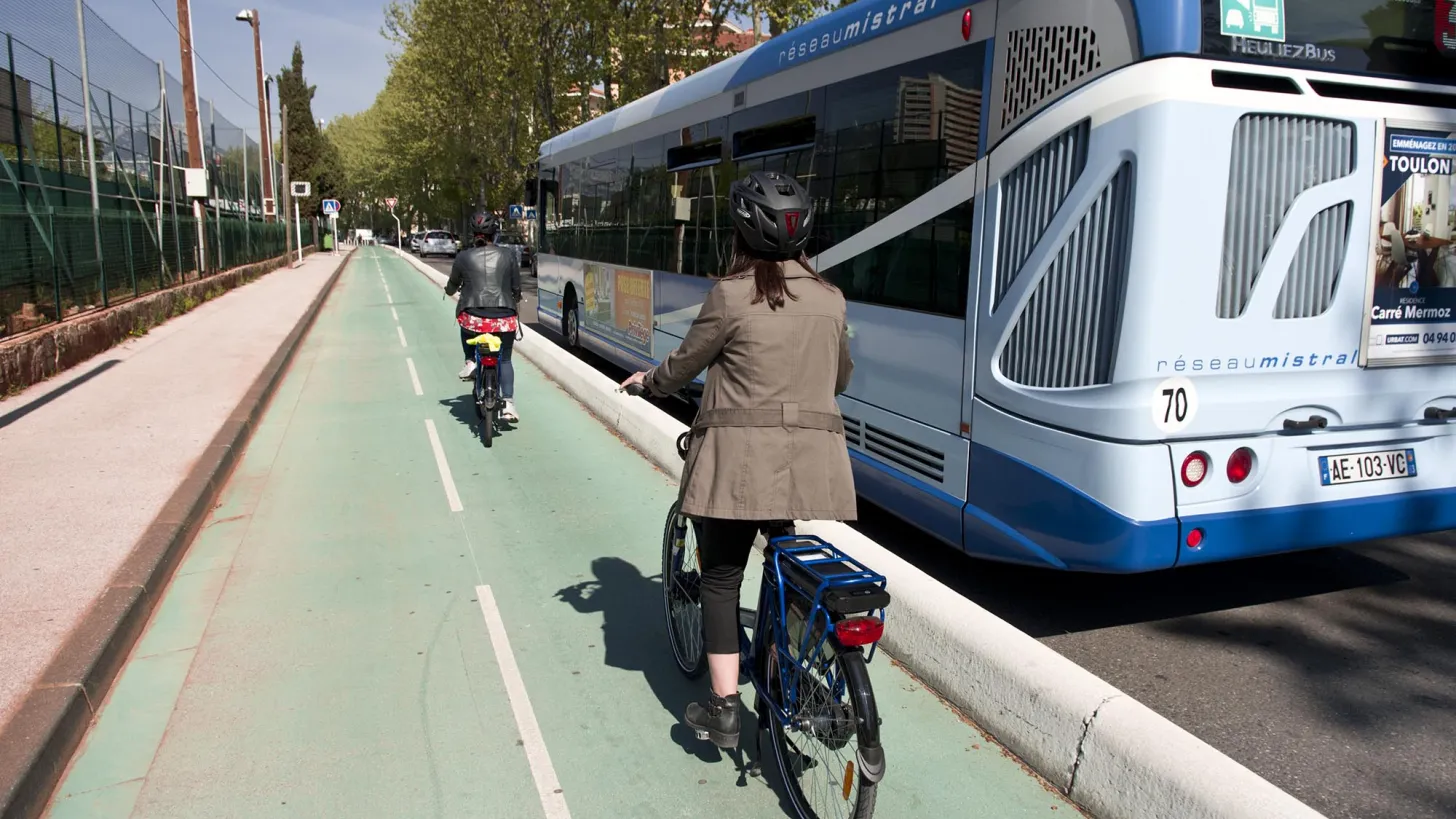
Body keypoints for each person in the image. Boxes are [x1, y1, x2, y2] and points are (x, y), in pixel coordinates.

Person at [618, 171, 856, 749]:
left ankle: (725, 708)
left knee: (722, 580)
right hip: (808, 464)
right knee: (786, 563)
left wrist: (648, 381)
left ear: (740, 232)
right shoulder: (830, 299)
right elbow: (839, 377)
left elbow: (684, 364)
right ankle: (792, 672)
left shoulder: (731, 294)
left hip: (736, 468)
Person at [447, 211, 523, 423]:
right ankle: (508, 403)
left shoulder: (463, 257)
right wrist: (515, 295)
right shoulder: (508, 255)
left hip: (474, 317)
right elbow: (517, 287)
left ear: (474, 234)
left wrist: (449, 290)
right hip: (504, 317)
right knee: (505, 359)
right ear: (494, 233)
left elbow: (452, 285)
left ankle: (470, 360)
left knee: (464, 323)